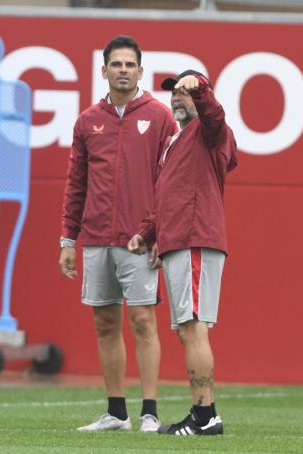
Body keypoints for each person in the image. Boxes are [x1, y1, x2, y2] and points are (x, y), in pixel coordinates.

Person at [59, 35, 177, 433]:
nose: (123, 70)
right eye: (116, 64)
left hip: (138, 240)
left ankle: (149, 413)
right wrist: (67, 240)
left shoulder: (161, 117)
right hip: (94, 238)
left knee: (144, 321)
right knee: (105, 323)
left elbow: (170, 182)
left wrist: (159, 233)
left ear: (141, 71)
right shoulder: (87, 121)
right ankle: (116, 412)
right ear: (104, 70)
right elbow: (76, 184)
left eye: (130, 64)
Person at [128, 70, 238, 436]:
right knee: (189, 330)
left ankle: (204, 416)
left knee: (193, 329)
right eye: (174, 92)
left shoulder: (210, 133)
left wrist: (201, 90)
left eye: (184, 92)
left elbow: (216, 117)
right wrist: (147, 234)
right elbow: (168, 196)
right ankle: (205, 413)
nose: (177, 97)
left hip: (194, 240)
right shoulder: (178, 141)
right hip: (180, 241)